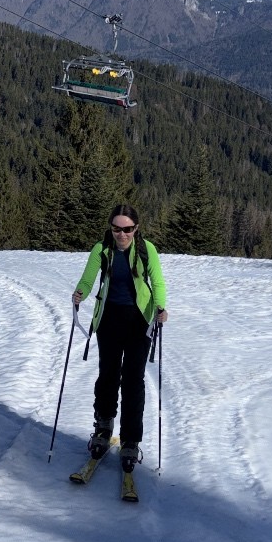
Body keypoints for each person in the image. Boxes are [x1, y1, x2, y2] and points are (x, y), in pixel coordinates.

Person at [72, 203, 168, 475]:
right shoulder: (101, 249)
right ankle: (103, 428)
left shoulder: (147, 250)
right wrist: (79, 293)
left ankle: (130, 440)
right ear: (111, 228)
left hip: (139, 321)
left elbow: (157, 282)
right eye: (116, 229)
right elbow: (88, 280)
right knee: (108, 375)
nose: (122, 234)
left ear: (136, 229)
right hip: (109, 319)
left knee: (133, 380)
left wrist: (161, 307)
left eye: (127, 229)